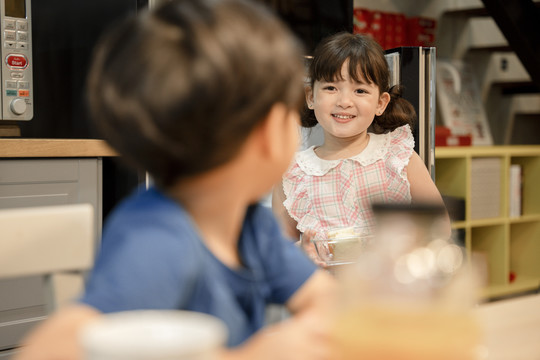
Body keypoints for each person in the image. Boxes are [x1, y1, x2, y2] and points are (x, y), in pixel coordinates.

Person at [14, 1, 336, 359]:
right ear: (268, 133)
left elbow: (325, 301)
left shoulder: (252, 225)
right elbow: (48, 351)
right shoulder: (158, 240)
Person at [272, 32, 450, 255]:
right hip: (323, 288)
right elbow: (279, 250)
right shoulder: (292, 173)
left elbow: (439, 227)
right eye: (330, 88)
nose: (344, 101)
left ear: (381, 102)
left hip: (388, 286)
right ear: (310, 97)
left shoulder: (398, 157)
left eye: (360, 90)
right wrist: (301, 253)